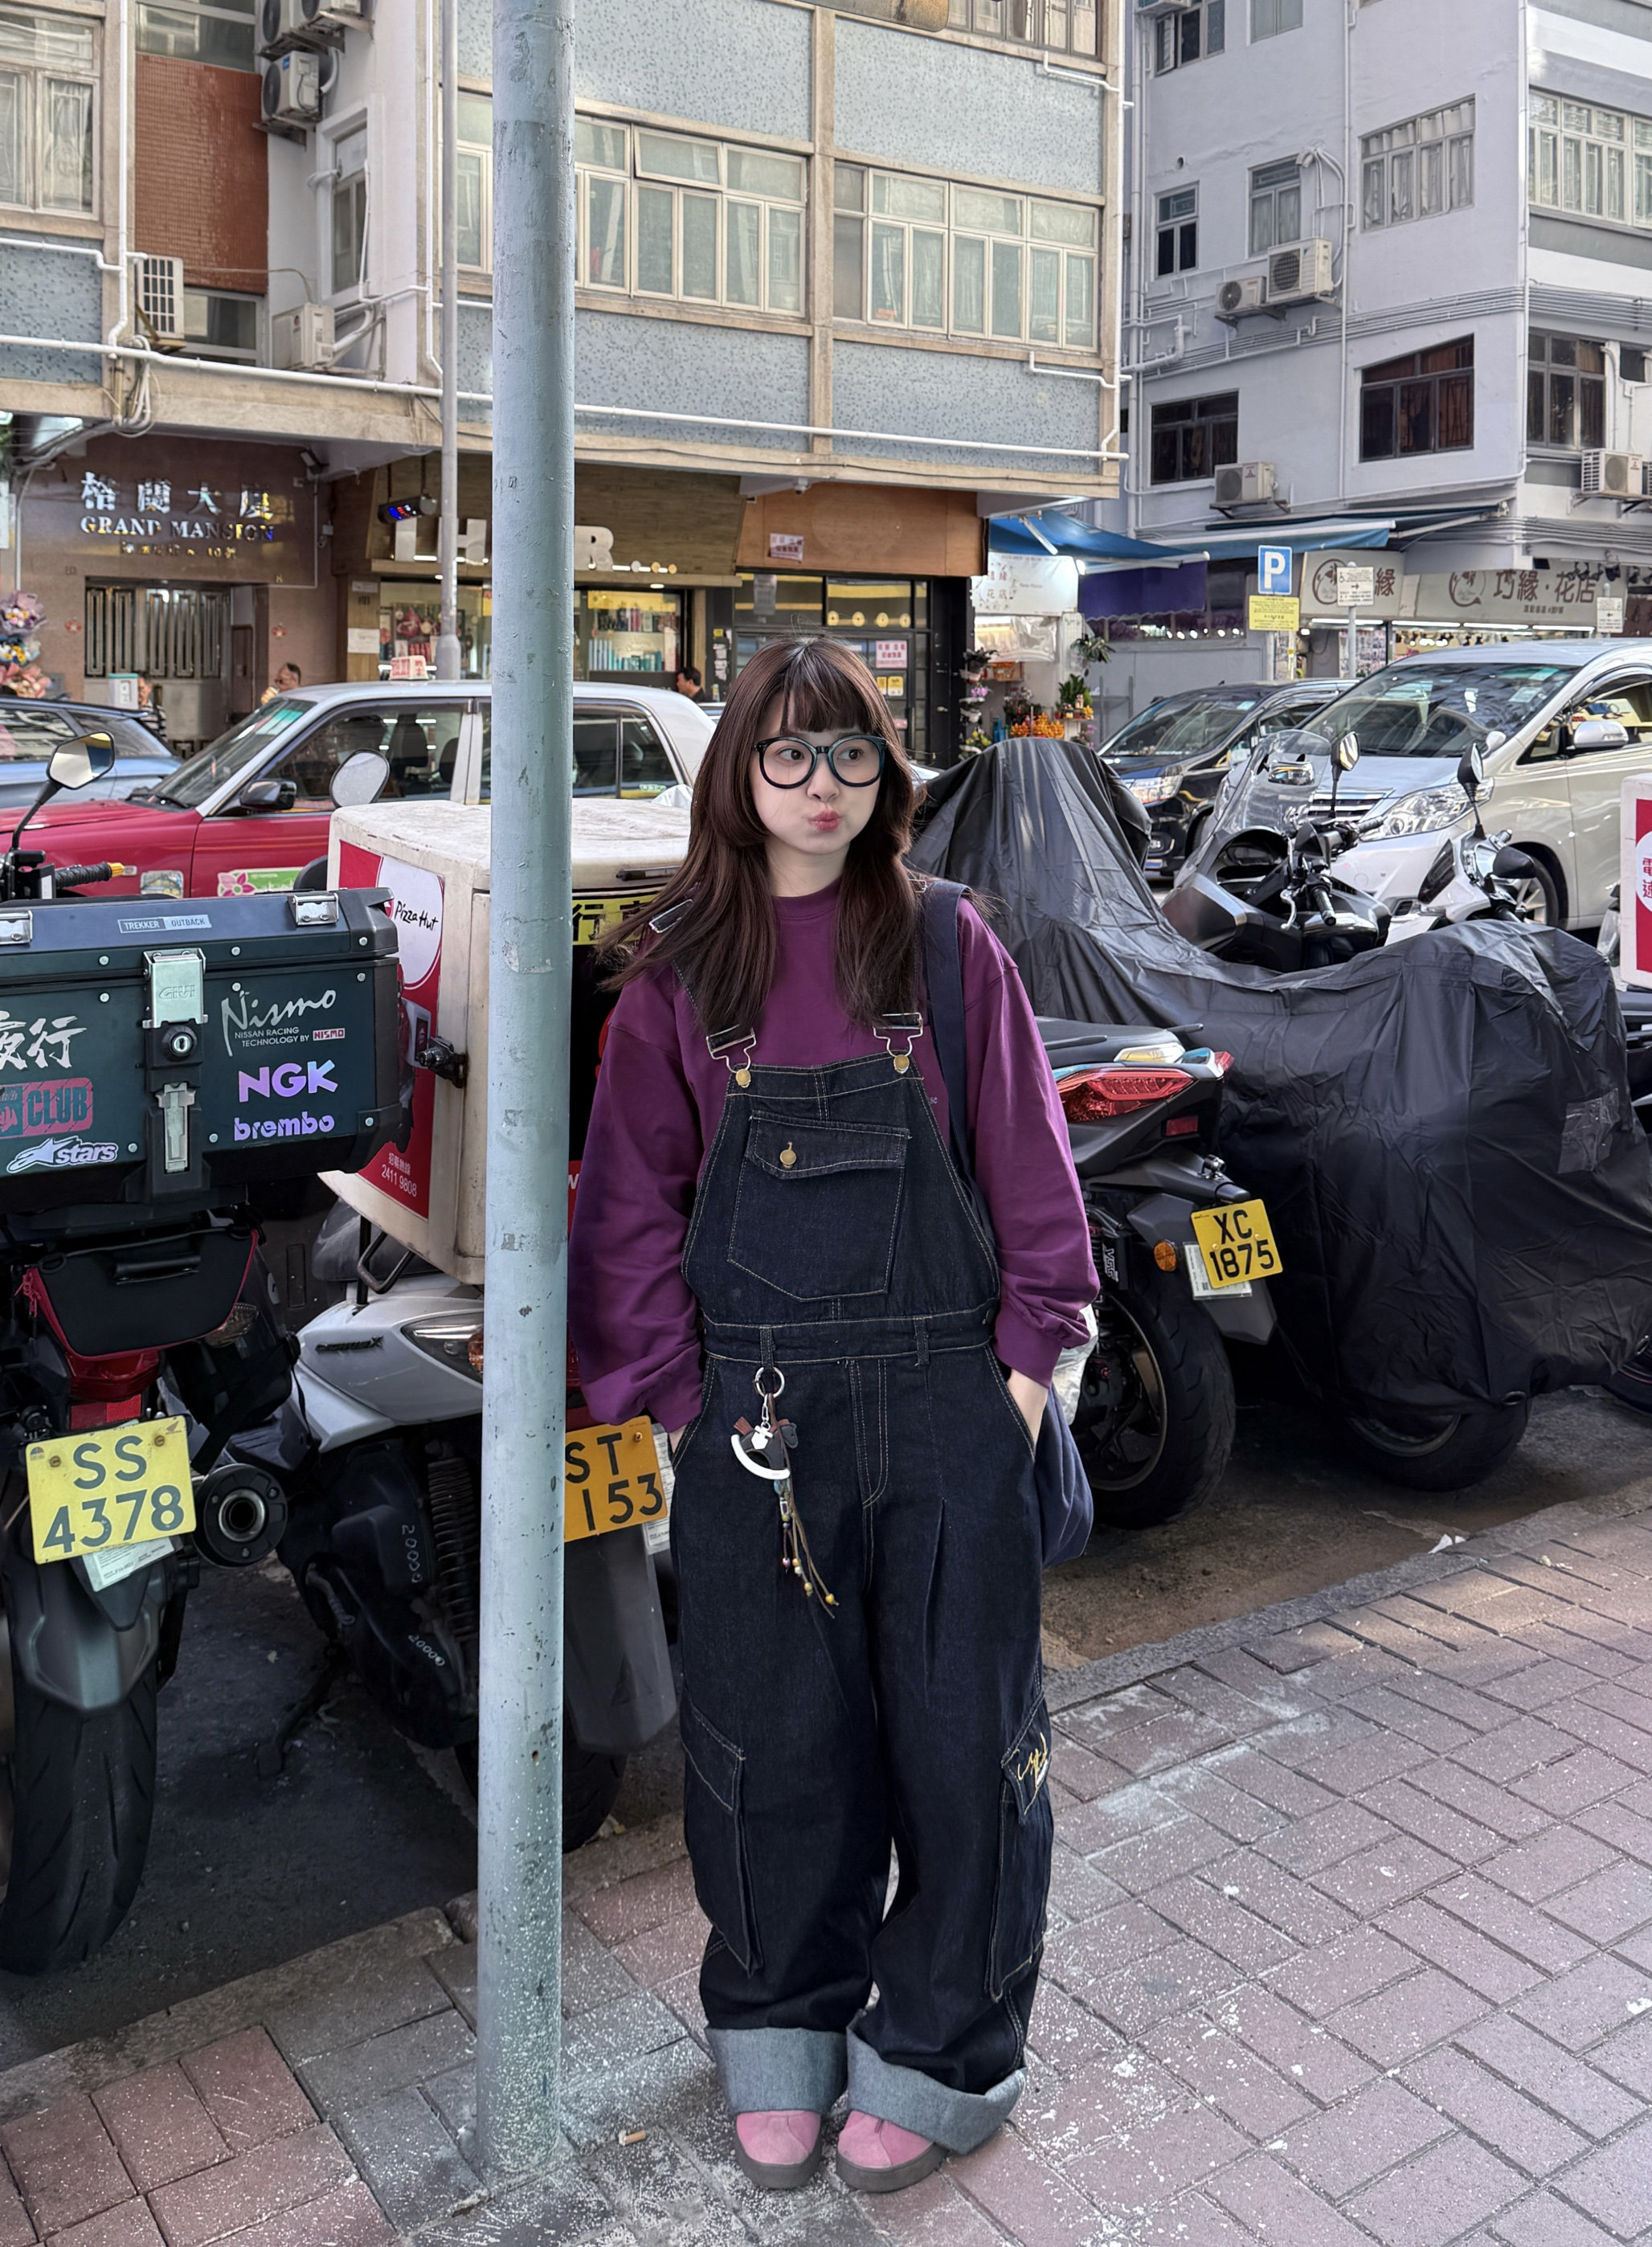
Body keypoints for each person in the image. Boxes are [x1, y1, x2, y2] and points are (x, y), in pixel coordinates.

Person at [569, 638, 1096, 2197]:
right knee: (770, 1752)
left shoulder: (944, 945)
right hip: (753, 1431)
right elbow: (625, 1220)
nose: (821, 785)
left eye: (850, 754)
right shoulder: (677, 975)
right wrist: (680, 1405)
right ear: (736, 774)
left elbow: (1034, 1186)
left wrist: (1013, 1390)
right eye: (788, 755)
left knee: (962, 1752)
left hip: (949, 1413)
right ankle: (779, 2027)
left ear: (886, 776)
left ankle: (943, 2048)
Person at [134, 673, 166, 744]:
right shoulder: (123, 711)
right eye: (133, 689)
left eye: (140, 689)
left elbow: (163, 741)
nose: (136, 693)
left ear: (149, 688)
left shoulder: (158, 712)